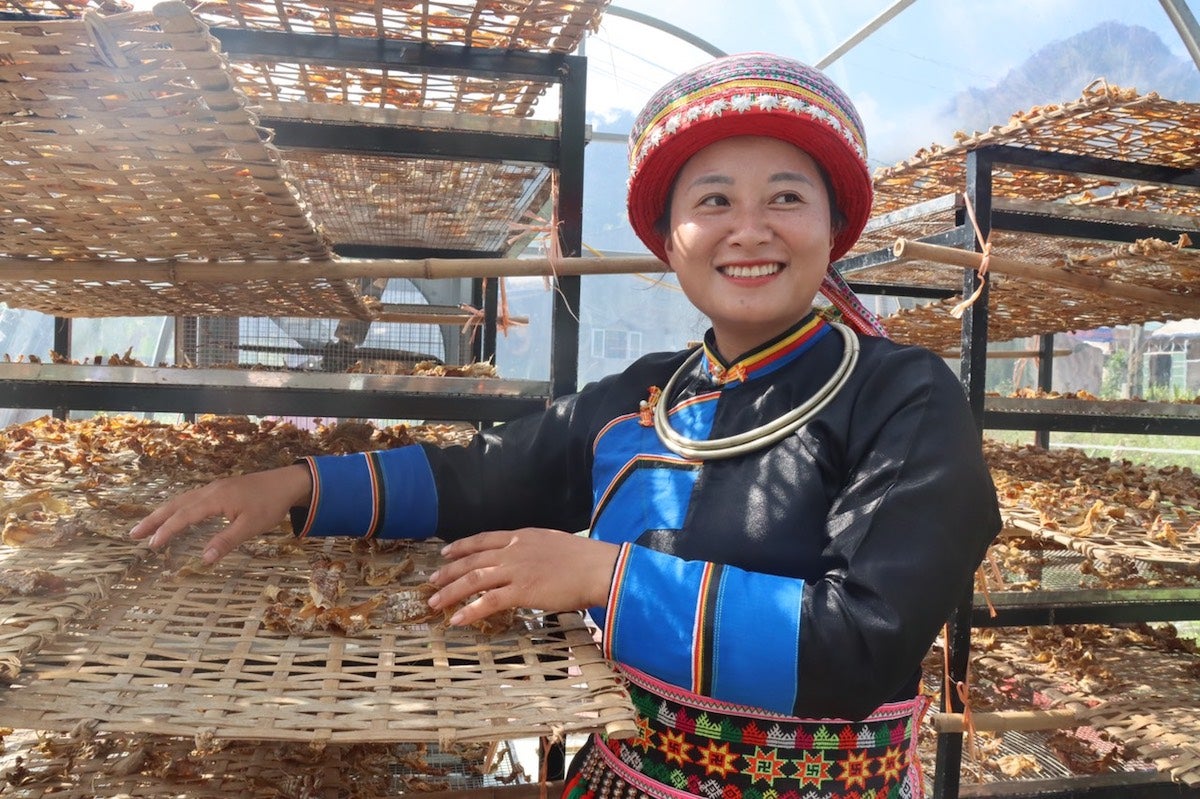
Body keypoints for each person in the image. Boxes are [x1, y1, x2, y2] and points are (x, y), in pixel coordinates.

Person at [133, 52, 1001, 799]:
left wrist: (603, 574)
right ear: (668, 237)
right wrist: (293, 485)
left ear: (833, 226)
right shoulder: (640, 399)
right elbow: (481, 477)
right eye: (713, 200)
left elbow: (864, 641)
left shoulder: (903, 396)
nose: (749, 229)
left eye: (785, 196)